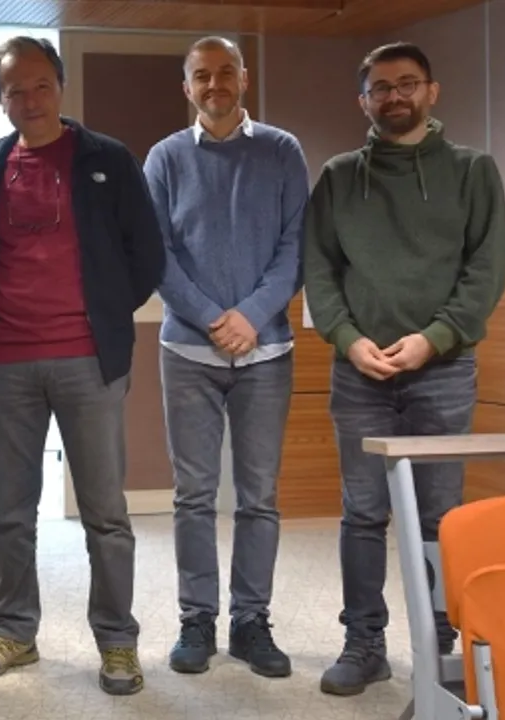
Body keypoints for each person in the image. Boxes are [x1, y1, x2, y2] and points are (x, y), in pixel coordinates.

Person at [0, 36, 166, 696]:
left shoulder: (108, 160)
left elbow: (146, 255)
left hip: (87, 361)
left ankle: (118, 640)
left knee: (105, 512)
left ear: (61, 87)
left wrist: (99, 311)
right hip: (8, 362)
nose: (30, 100)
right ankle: (15, 629)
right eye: (15, 90)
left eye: (41, 85)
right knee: (11, 511)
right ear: (1, 101)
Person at [304, 41, 505, 697]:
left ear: (431, 91)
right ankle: (364, 644)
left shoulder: (473, 171)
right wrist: (347, 339)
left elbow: (486, 271)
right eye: (381, 88)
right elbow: (320, 271)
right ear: (363, 100)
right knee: (362, 513)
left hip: (442, 371)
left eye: (407, 84)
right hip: (359, 373)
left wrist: (434, 339)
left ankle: (440, 647)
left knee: (441, 516)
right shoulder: (339, 176)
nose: (394, 96)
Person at [143, 36, 308, 679]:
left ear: (244, 78)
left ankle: (250, 621)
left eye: (225, 72)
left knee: (259, 496)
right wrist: (215, 317)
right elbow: (157, 253)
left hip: (267, 351)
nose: (214, 84)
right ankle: (196, 620)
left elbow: (295, 247)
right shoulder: (165, 158)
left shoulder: (283, 150)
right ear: (187, 88)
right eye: (202, 76)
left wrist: (251, 316)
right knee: (193, 496)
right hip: (189, 349)